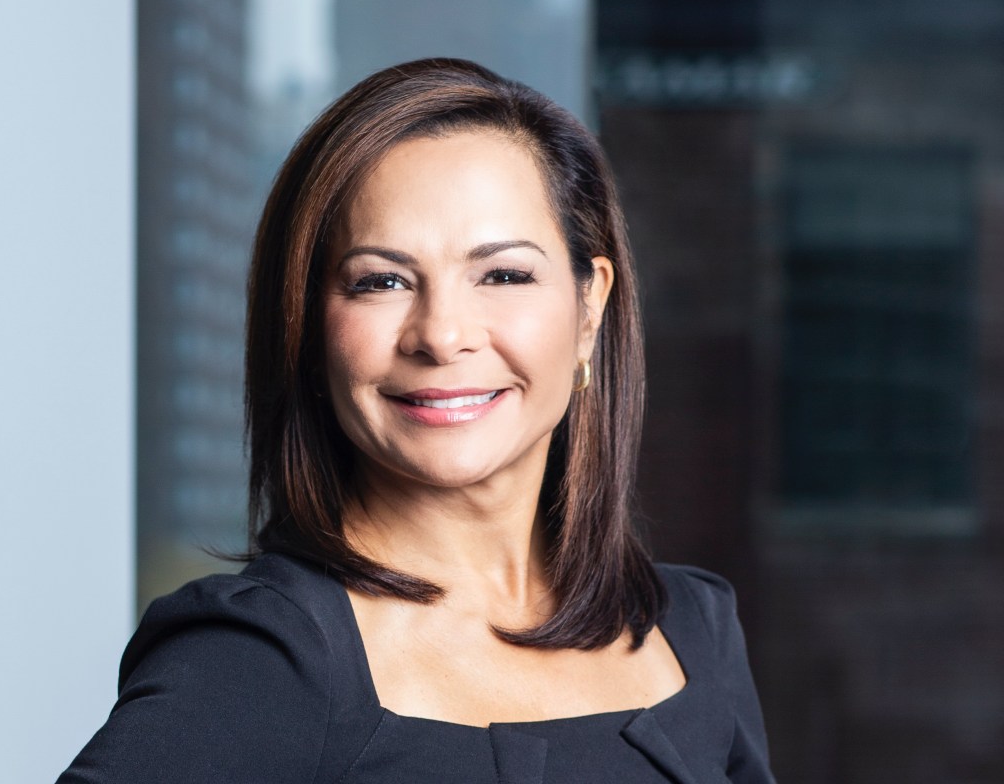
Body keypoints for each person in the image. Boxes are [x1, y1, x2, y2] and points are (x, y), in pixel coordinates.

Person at [58, 58, 776, 783]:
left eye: (504, 275)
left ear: (589, 309)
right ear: (308, 327)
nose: (441, 334)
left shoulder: (693, 628)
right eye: (382, 281)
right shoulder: (262, 655)